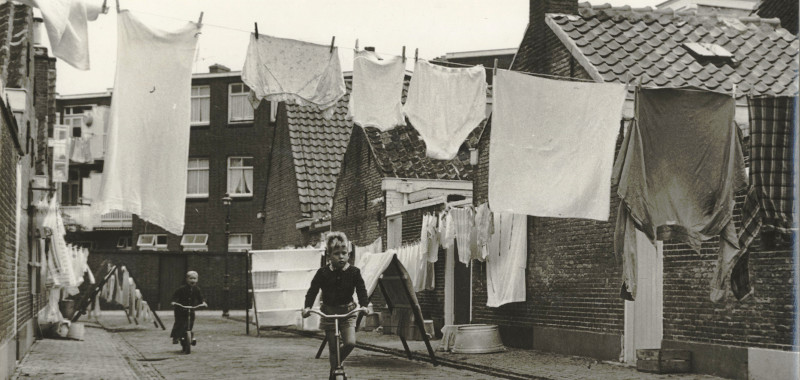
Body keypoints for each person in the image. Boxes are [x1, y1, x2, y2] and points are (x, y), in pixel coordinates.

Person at [302, 232, 369, 378]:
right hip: (329, 313)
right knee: (333, 348)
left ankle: (335, 368)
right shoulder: (323, 273)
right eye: (337, 253)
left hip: (347, 312)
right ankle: (335, 373)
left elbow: (361, 289)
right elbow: (313, 290)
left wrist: (365, 305)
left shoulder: (354, 272)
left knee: (350, 343)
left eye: (344, 253)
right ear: (329, 255)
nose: (341, 257)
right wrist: (307, 307)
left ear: (348, 254)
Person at [170, 271, 207, 344]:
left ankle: (189, 335)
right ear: (187, 279)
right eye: (191, 278)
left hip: (191, 308)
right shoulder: (181, 289)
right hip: (180, 309)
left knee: (191, 321)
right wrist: (174, 302)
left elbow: (200, 298)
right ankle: (176, 337)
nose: (192, 280)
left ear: (197, 280)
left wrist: (203, 302)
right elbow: (175, 297)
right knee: (179, 322)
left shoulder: (197, 289)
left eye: (194, 278)